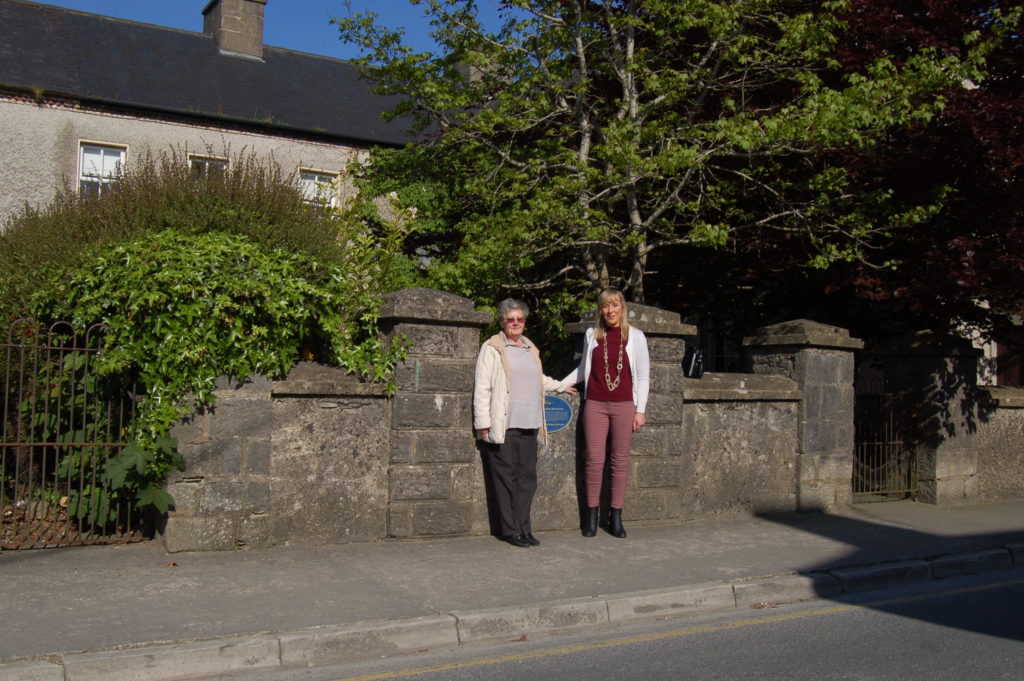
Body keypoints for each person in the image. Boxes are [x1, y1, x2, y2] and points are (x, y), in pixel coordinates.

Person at [473, 298, 577, 548]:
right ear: (503, 322)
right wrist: (482, 423)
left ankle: (523, 527)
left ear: (525, 322)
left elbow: (537, 378)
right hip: (504, 425)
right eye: (511, 319)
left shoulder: (529, 347)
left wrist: (562, 386)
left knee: (527, 479)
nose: (516, 323)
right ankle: (510, 530)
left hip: (530, 424)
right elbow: (482, 386)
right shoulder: (492, 347)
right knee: (506, 479)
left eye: (519, 319)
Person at [563, 288, 649, 538]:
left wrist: (640, 410)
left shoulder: (636, 336)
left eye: (614, 305)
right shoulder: (592, 334)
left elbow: (643, 376)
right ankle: (591, 516)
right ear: (600, 310)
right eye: (604, 306)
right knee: (594, 460)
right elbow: (583, 370)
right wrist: (556, 384)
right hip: (596, 405)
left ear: (622, 308)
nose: (610, 311)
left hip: (624, 406)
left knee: (619, 461)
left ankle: (615, 517)